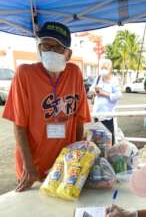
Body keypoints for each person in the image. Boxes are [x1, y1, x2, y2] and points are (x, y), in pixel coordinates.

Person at [2, 21, 91, 192]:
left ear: (68, 53)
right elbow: (19, 127)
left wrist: (77, 160)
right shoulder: (24, 74)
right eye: (45, 46)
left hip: (65, 167)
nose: (50, 51)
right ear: (39, 49)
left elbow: (79, 121)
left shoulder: (74, 73)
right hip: (33, 170)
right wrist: (29, 167)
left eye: (57, 47)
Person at [89, 58, 122, 145]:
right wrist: (94, 91)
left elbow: (118, 95)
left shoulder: (114, 80)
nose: (103, 70)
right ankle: (101, 154)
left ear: (110, 69)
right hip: (97, 113)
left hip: (108, 114)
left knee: (109, 137)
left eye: (105, 68)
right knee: (98, 137)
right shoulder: (98, 78)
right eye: (102, 68)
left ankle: (110, 154)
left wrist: (105, 94)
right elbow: (91, 88)